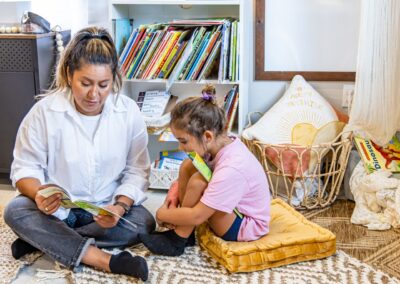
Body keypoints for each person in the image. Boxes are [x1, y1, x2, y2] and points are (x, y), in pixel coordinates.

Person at [4, 27, 155, 281]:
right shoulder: (44, 112)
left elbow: (137, 170)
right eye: (85, 83)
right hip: (57, 211)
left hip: (105, 211)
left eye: (103, 85)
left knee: (144, 222)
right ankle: (103, 259)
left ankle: (46, 240)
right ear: (68, 75)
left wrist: (120, 206)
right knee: (15, 210)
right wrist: (39, 194)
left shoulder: (128, 112)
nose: (94, 94)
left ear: (113, 79)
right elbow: (24, 169)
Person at [139, 85, 271, 256]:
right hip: (234, 210)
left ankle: (178, 239)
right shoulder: (220, 143)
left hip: (244, 226)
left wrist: (163, 213)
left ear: (207, 136)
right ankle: (183, 233)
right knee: (187, 165)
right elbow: (184, 179)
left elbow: (197, 216)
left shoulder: (232, 167)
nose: (180, 147)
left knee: (197, 182)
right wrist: (173, 195)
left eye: (184, 141)